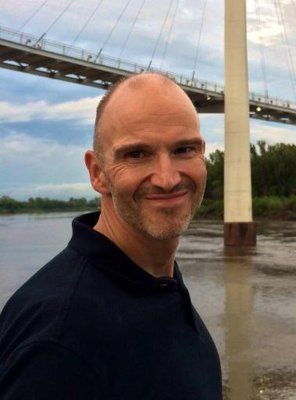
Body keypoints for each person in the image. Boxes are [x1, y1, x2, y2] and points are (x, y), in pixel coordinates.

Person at [0, 73, 222, 399]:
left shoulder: (157, 281)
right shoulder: (58, 342)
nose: (167, 179)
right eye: (136, 154)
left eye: (184, 149)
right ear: (97, 173)